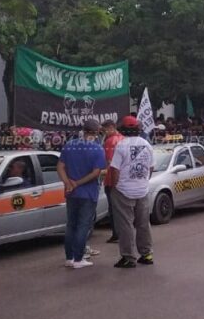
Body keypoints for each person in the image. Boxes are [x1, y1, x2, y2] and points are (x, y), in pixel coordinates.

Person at [57, 119, 106, 269]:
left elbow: (60, 166)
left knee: (71, 225)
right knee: (83, 226)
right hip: (88, 193)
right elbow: (96, 172)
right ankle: (78, 259)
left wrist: (68, 183)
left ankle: (69, 258)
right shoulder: (97, 149)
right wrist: (77, 183)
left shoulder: (70, 145)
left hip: (71, 193)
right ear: (96, 131)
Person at [108, 115, 154, 268]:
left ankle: (128, 257)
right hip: (142, 190)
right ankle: (146, 254)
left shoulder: (121, 146)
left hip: (124, 190)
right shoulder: (147, 144)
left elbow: (115, 170)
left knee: (125, 224)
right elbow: (151, 167)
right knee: (143, 223)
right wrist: (143, 181)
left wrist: (115, 185)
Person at [101, 119, 124, 243]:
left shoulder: (110, 141)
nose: (104, 133)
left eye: (105, 130)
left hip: (111, 180)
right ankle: (123, 232)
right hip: (123, 180)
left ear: (111, 127)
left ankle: (117, 233)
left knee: (114, 208)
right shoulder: (123, 138)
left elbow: (109, 163)